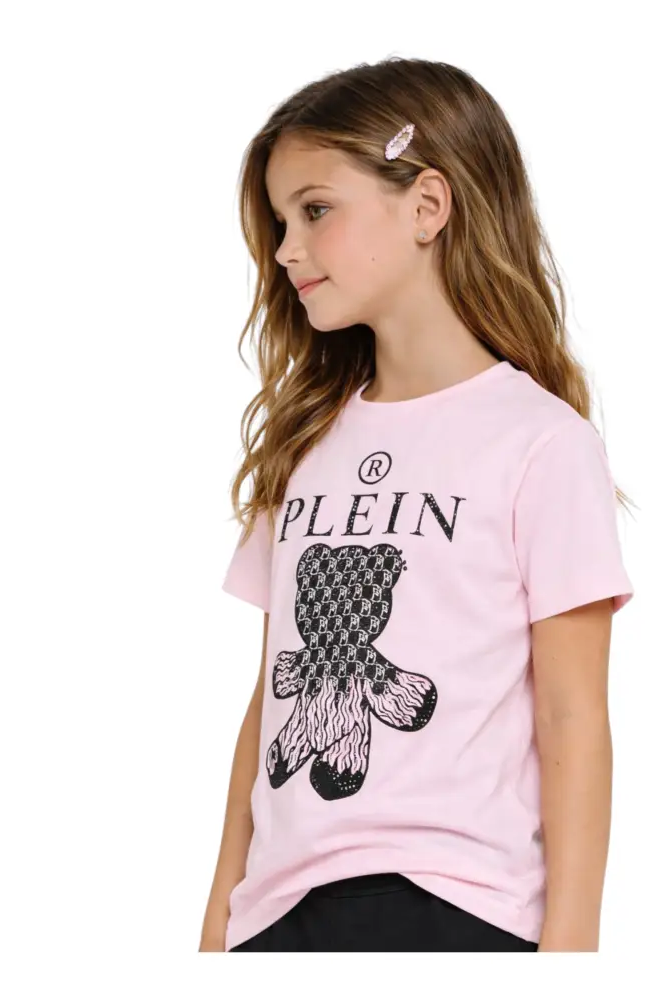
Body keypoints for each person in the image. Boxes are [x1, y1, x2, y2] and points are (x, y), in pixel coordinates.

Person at [199, 57, 634, 954]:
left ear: (428, 205)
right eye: (280, 222)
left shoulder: (541, 442)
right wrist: (216, 928)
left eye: (315, 210)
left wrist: (571, 953)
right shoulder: (304, 444)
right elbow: (267, 699)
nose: (286, 250)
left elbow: (573, 718)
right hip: (278, 917)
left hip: (460, 910)